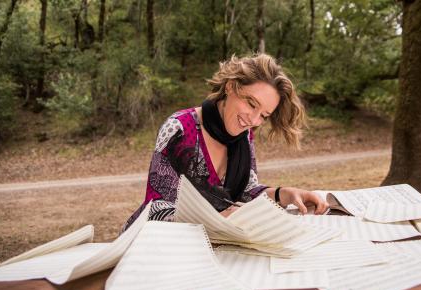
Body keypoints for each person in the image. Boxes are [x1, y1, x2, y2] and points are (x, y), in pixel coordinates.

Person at [121, 53, 328, 232]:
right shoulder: (179, 128)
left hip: (210, 245)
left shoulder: (244, 136)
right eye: (251, 103)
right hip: (149, 247)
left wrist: (284, 194)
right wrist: (216, 218)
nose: (254, 120)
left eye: (264, 115)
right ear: (230, 87)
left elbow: (247, 191)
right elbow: (157, 210)